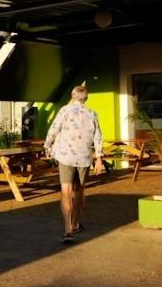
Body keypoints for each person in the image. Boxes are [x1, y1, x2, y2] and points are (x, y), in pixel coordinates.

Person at [44, 85, 104, 244]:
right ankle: (75, 223)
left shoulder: (64, 110)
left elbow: (54, 128)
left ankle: (67, 230)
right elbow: (98, 136)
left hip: (65, 156)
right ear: (86, 98)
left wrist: (47, 145)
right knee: (80, 191)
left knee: (66, 191)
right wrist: (99, 158)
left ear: (72, 96)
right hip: (83, 158)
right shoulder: (92, 113)